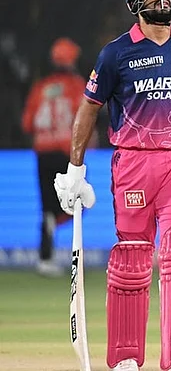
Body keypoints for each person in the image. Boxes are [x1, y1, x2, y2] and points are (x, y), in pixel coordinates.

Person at [53, 0, 171, 371]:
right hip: (134, 163)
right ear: (135, 0)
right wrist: (75, 170)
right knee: (132, 258)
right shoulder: (115, 53)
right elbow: (89, 109)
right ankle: (125, 357)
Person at [22, 37, 84, 277]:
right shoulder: (76, 85)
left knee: (48, 207)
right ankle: (71, 251)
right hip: (65, 152)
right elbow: (86, 115)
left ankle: (45, 257)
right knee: (78, 202)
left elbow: (28, 123)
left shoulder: (41, 87)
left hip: (43, 152)